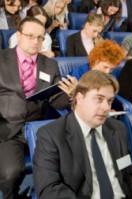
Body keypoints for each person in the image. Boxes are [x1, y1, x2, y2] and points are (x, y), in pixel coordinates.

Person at [33, 70, 132, 199]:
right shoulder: (51, 135)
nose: (106, 107)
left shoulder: (118, 129)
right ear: (79, 98)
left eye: (109, 101)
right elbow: (49, 188)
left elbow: (128, 170)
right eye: (99, 99)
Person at [0, 17, 67, 199]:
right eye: (30, 36)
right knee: (11, 173)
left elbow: (56, 101)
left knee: (61, 167)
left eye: (40, 37)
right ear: (18, 36)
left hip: (37, 128)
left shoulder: (50, 65)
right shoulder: (2, 59)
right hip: (7, 128)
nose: (35, 41)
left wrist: (70, 93)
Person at [59, 39, 123, 98]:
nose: (107, 72)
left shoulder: (111, 75)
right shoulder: (78, 73)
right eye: (105, 67)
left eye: (111, 69)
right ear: (96, 60)